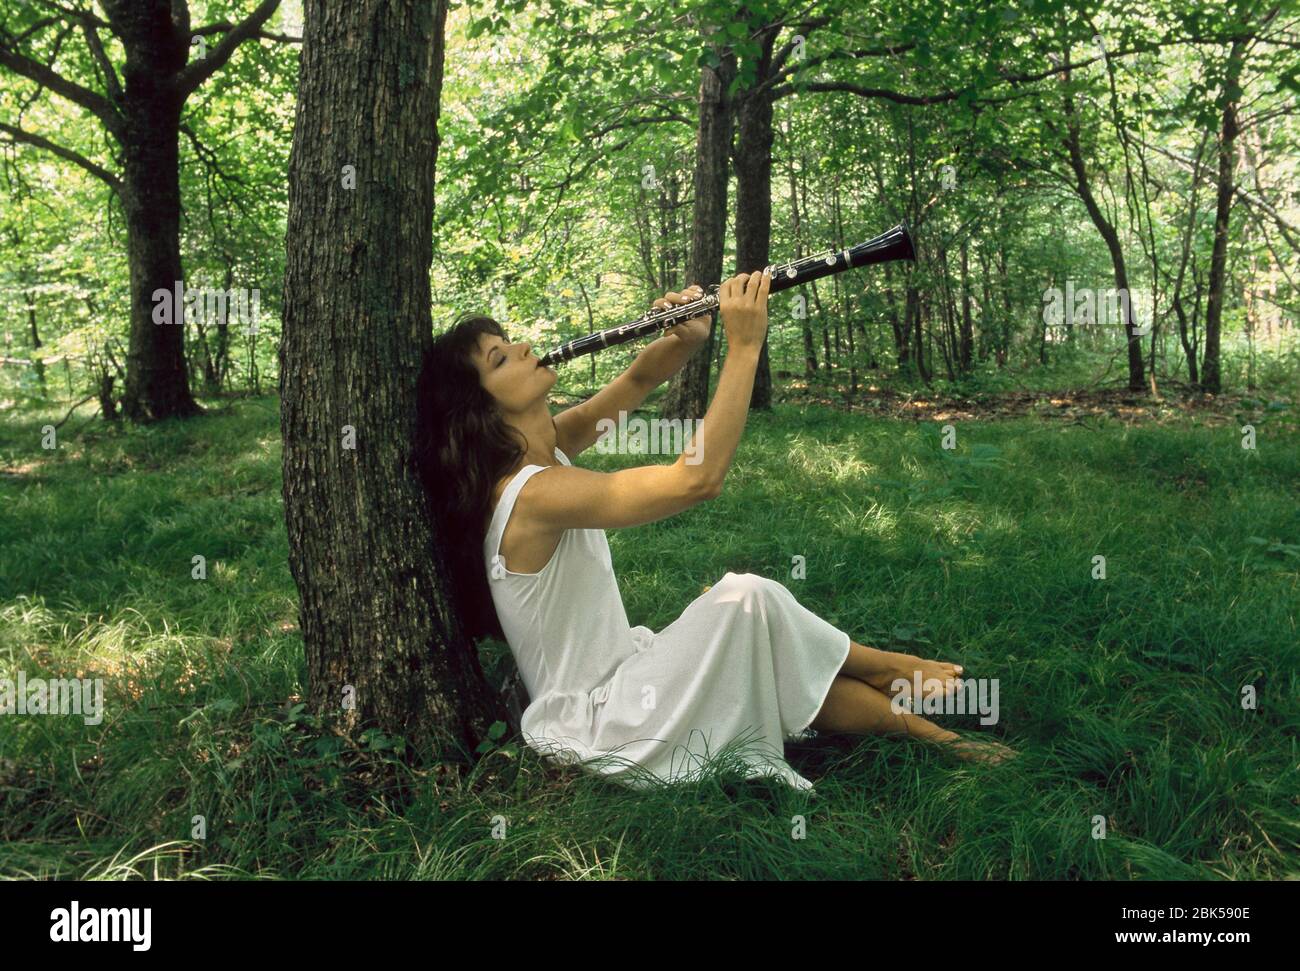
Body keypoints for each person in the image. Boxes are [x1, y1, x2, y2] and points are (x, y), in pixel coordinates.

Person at [417, 270, 1015, 790]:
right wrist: (744, 346)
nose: (523, 347)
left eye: (508, 342)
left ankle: (932, 734)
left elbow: (630, 387)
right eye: (500, 358)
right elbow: (694, 481)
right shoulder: (532, 494)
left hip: (628, 675)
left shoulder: (545, 453)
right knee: (744, 598)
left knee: (761, 635)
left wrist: (684, 337)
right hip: (599, 719)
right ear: (482, 410)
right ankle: (886, 667)